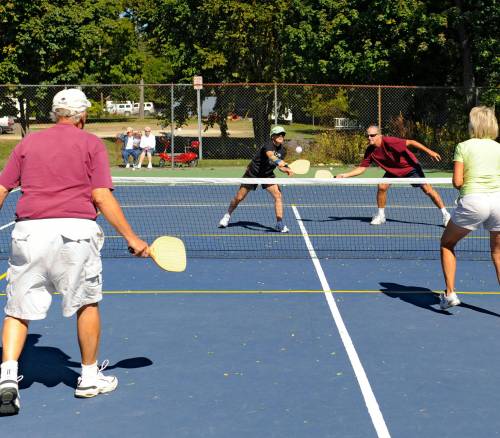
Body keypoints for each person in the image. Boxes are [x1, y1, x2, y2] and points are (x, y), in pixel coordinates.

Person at [0, 88, 149, 416]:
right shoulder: (91, 143)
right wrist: (132, 237)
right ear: (82, 116)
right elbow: (101, 196)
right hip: (75, 234)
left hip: (29, 232)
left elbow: (2, 188)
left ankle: (7, 376)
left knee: (17, 310)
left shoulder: (27, 143)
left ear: (55, 113)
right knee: (86, 304)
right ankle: (88, 377)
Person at [440, 106, 500, 309]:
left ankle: (449, 294)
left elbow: (457, 182)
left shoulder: (463, 146)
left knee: (447, 243)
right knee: (498, 253)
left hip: (475, 201)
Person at [336, 125, 451, 226]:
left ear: (379, 135)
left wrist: (429, 152)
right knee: (382, 186)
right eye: (368, 136)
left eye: (372, 135)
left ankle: (446, 215)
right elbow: (362, 168)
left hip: (410, 168)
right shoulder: (370, 151)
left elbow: (411, 142)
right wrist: (345, 175)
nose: (369, 138)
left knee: (427, 190)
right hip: (393, 171)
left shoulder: (390, 141)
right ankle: (381, 216)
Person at [218, 125, 294, 232]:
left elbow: (280, 166)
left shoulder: (283, 150)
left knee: (278, 195)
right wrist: (280, 162)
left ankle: (279, 223)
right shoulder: (268, 145)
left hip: (267, 174)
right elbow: (271, 156)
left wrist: (286, 170)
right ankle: (227, 216)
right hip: (253, 173)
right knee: (239, 197)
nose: (281, 136)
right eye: (278, 134)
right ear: (273, 136)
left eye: (283, 134)